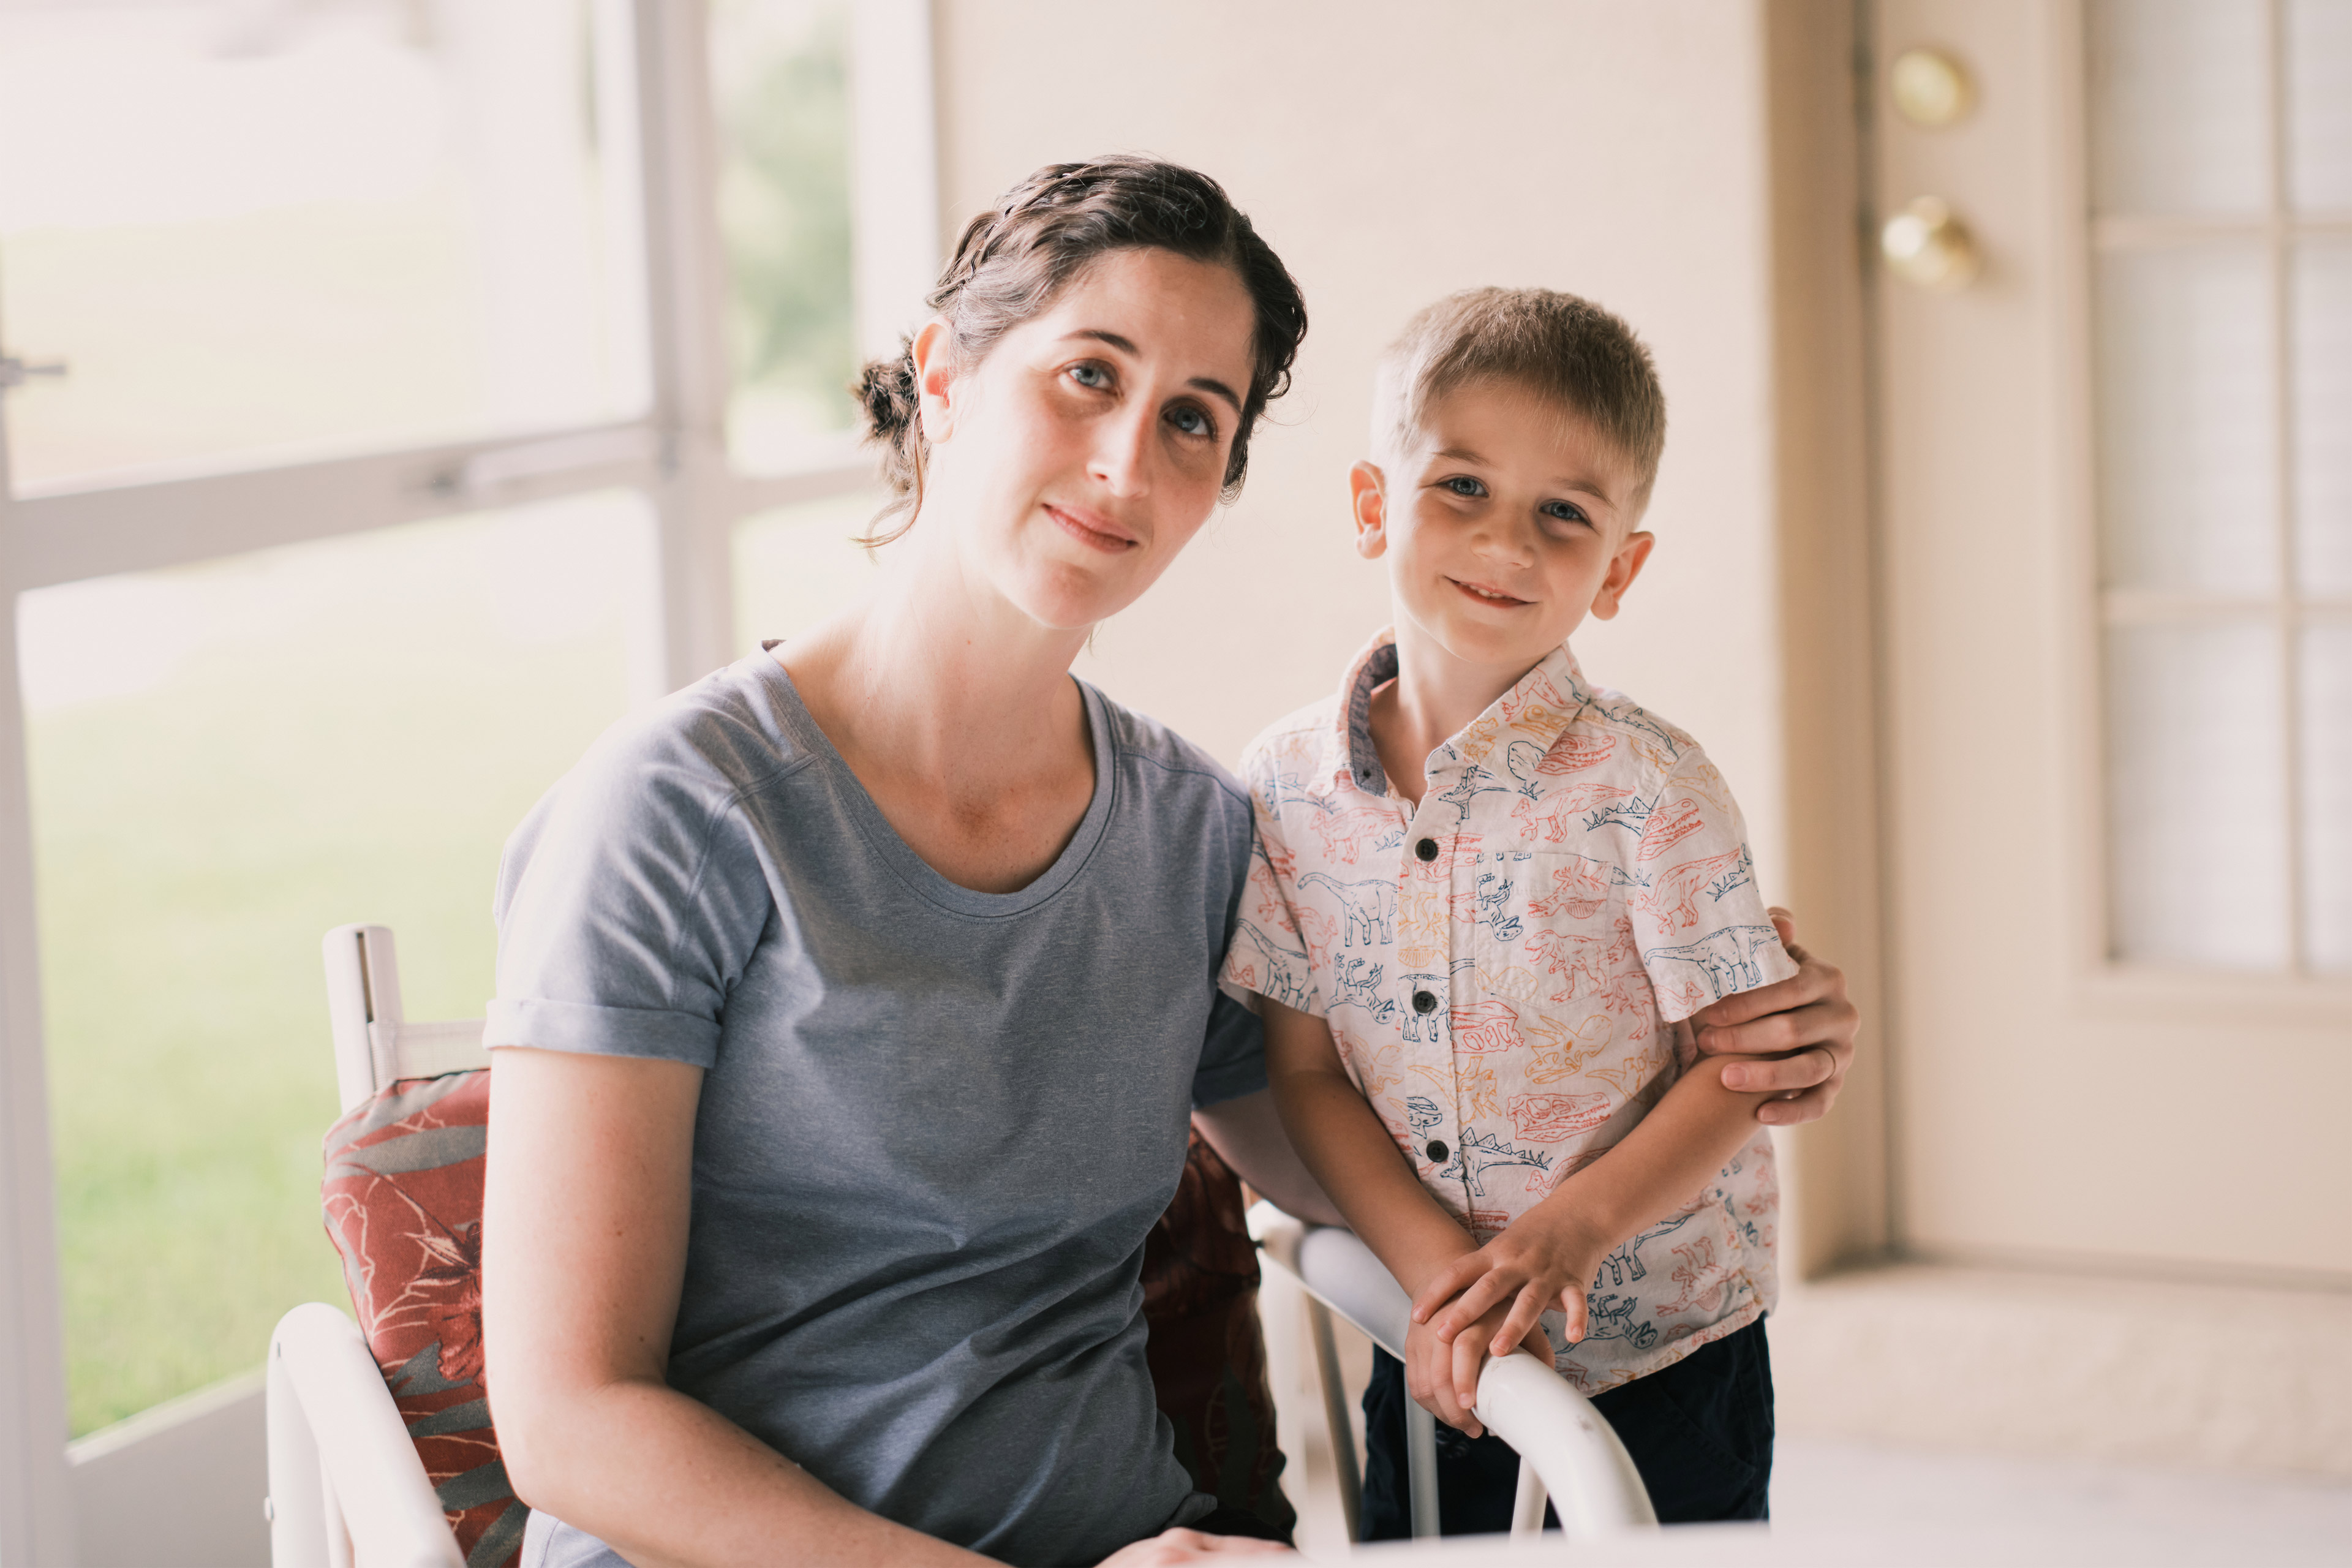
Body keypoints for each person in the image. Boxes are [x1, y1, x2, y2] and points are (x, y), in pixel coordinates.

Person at [480, 160, 1858, 1568]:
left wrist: (1739, 1036)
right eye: (1088, 374)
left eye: (1192, 419)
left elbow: (1351, 1117)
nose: (1128, 463)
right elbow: (570, 1419)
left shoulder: (1198, 832)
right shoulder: (676, 812)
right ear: (943, 374)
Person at [1222, 287, 1806, 1537]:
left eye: (1565, 514)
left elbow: (1743, 1068)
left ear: (1619, 567)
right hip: (1431, 1339)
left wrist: (1562, 1236)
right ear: (1375, 503)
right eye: (1463, 488)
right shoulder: (1282, 787)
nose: (1509, 544)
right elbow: (1308, 1075)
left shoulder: (1654, 788)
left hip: (1668, 1349)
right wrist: (1447, 1283)